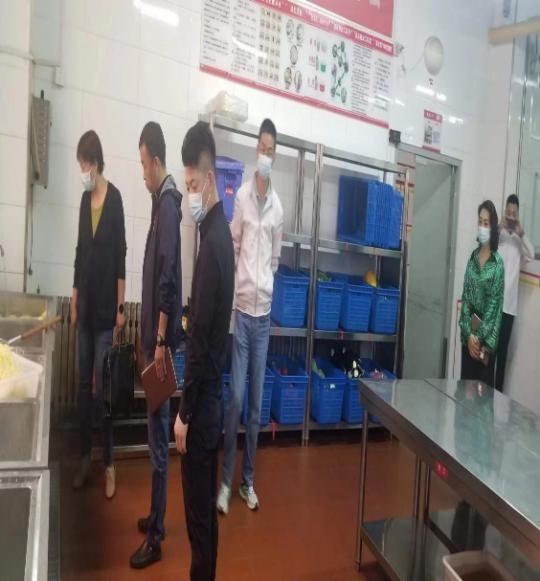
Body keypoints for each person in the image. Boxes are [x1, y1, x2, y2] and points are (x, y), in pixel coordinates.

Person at [174, 121, 234, 581]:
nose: (189, 194)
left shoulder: (212, 244)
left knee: (198, 519)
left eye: (193, 185)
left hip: (203, 405)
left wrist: (184, 414)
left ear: (209, 180)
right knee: (205, 519)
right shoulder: (219, 234)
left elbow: (198, 344)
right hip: (212, 398)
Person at [218, 118, 283, 515]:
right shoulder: (242, 196)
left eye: (270, 150)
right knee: (236, 399)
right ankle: (225, 481)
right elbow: (234, 246)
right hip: (242, 315)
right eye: (261, 147)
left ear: (275, 154)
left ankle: (247, 482)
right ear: (255, 148)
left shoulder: (278, 207)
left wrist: (265, 287)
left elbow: (274, 259)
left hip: (264, 319)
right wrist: (239, 291)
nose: (265, 154)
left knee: (256, 407)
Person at [130, 122, 183, 569]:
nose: (142, 172)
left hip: (160, 343)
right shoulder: (159, 203)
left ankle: (158, 535)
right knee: (154, 437)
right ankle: (156, 514)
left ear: (157, 161)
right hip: (153, 339)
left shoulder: (167, 206)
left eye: (144, 163)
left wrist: (161, 340)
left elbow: (167, 279)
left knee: (159, 441)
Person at [71, 130, 126, 499]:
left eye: (85, 164)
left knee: (102, 391)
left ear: (96, 162)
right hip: (85, 309)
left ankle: (109, 464)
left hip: (106, 313)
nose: (83, 171)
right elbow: (79, 252)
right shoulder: (83, 200)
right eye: (80, 165)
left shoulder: (115, 199)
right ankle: (83, 458)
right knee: (82, 388)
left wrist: (121, 308)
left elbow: (121, 256)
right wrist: (74, 298)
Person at [459, 200, 504, 387]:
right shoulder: (472, 258)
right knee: (463, 398)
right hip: (469, 343)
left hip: (485, 347)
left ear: (492, 228)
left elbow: (493, 309)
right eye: (480, 222)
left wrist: (478, 339)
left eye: (486, 223)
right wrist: (469, 335)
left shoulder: (497, 264)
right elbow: (466, 300)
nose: (482, 227)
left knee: (482, 401)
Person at [495, 194, 534, 392]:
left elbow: (532, 253)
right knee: (489, 353)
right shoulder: (499, 236)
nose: (511, 216)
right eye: (508, 212)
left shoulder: (519, 242)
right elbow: (484, 246)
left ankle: (497, 396)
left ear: (517, 215)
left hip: (509, 309)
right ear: (505, 211)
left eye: (514, 213)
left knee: (502, 355)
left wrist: (522, 233)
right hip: (493, 306)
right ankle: (483, 395)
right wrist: (498, 227)